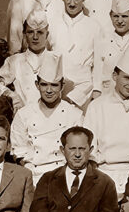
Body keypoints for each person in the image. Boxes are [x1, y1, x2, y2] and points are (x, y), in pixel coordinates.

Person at [82, 45, 129, 195]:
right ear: (115, 76)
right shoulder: (96, 106)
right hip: (103, 173)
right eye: (127, 78)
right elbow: (90, 147)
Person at [10, 54, 83, 182]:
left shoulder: (75, 115)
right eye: (44, 85)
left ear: (62, 86)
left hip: (65, 175)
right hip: (32, 175)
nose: (49, 90)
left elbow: (79, 150)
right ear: (37, 85)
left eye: (54, 85)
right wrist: (29, 170)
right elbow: (19, 149)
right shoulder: (23, 114)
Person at [48, 0, 98, 109]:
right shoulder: (53, 25)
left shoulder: (94, 26)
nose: (72, 3)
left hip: (84, 92)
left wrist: (94, 92)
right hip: (56, 90)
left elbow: (98, 64)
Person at [0, 8, 53, 112]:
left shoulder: (56, 59)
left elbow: (83, 81)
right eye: (30, 32)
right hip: (23, 119)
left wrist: (69, 101)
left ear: (47, 35)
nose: (35, 37)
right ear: (24, 34)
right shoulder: (15, 61)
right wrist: (12, 96)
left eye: (40, 32)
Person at [92, 0, 129, 98]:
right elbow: (97, 69)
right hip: (107, 95)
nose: (120, 21)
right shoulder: (103, 39)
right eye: (116, 16)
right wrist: (96, 91)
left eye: (125, 16)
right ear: (110, 16)